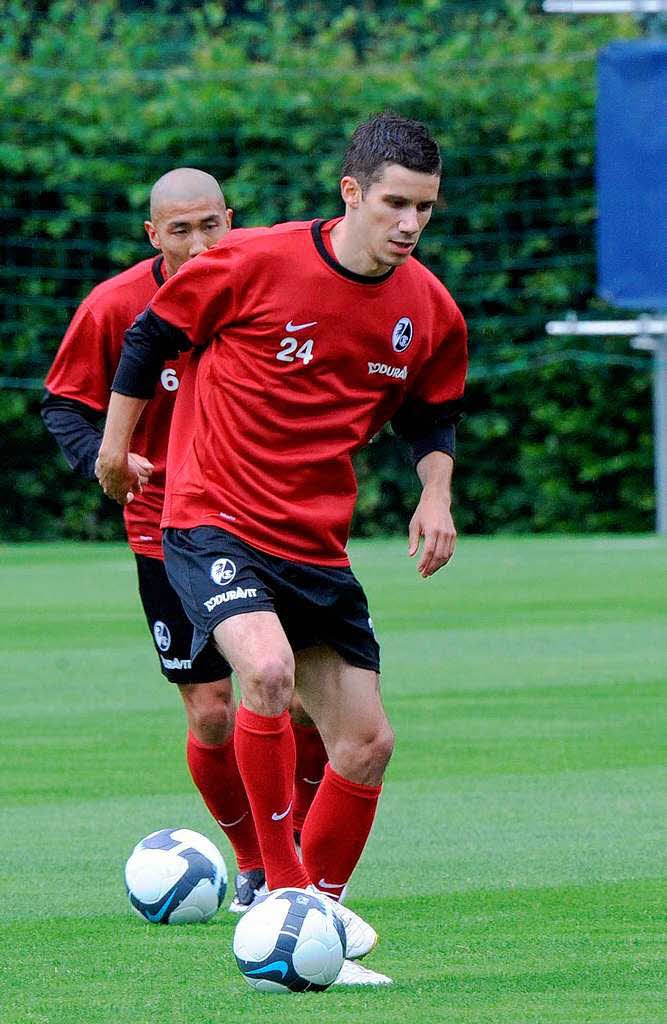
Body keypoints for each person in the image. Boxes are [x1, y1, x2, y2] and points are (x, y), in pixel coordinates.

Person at [96, 114, 468, 979]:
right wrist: (115, 451)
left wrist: (435, 491)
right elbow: (151, 337)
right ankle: (280, 892)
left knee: (366, 743)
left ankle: (319, 923)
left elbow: (430, 409)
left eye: (424, 208)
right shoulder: (253, 258)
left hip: (315, 541)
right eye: (393, 204)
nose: (409, 224)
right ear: (351, 194)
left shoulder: (427, 306)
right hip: (210, 514)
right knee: (260, 674)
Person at [41, 167, 328, 913]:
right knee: (209, 709)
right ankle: (255, 863)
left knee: (297, 702)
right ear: (152, 235)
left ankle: (287, 856)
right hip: (164, 530)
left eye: (211, 226)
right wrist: (105, 460)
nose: (199, 244)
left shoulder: (269, 287)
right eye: (180, 230)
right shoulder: (116, 306)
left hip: (264, 520)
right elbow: (63, 405)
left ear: (231, 219)